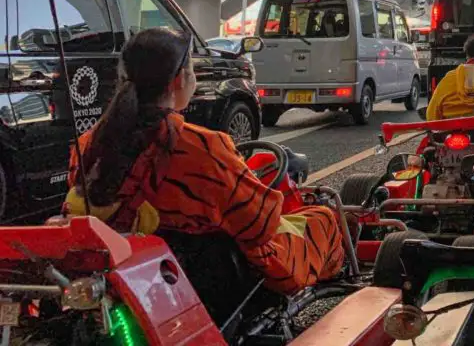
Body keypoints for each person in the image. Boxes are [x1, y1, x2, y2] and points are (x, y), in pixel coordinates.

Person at [62, 28, 343, 295]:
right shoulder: (203, 147)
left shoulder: (87, 145)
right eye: (193, 70)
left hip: (117, 269)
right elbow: (261, 226)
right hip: (207, 278)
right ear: (177, 81)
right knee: (322, 219)